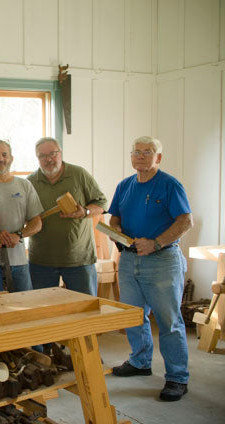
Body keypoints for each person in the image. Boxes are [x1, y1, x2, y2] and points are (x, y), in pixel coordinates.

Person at [109, 136, 193, 402]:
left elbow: (185, 221)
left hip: (162, 260)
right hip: (129, 259)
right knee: (134, 316)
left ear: (158, 157)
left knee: (169, 322)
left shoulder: (170, 185)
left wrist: (156, 243)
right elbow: (114, 218)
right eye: (137, 152)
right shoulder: (125, 186)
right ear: (131, 157)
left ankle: (177, 377)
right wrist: (116, 233)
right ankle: (140, 362)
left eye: (148, 152)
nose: (141, 156)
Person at [27, 137, 107, 295]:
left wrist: (85, 212)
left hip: (79, 259)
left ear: (60, 153)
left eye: (52, 153)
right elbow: (23, 216)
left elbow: (102, 203)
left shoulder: (79, 174)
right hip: (41, 262)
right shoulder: (30, 182)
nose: (48, 159)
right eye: (42, 156)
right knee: (44, 313)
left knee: (85, 310)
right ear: (37, 158)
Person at [0, 140, 43, 292]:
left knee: (25, 309)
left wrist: (18, 235)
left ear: (11, 158)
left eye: (5, 154)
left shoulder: (24, 185)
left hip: (20, 263)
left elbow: (37, 223)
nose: (0, 159)